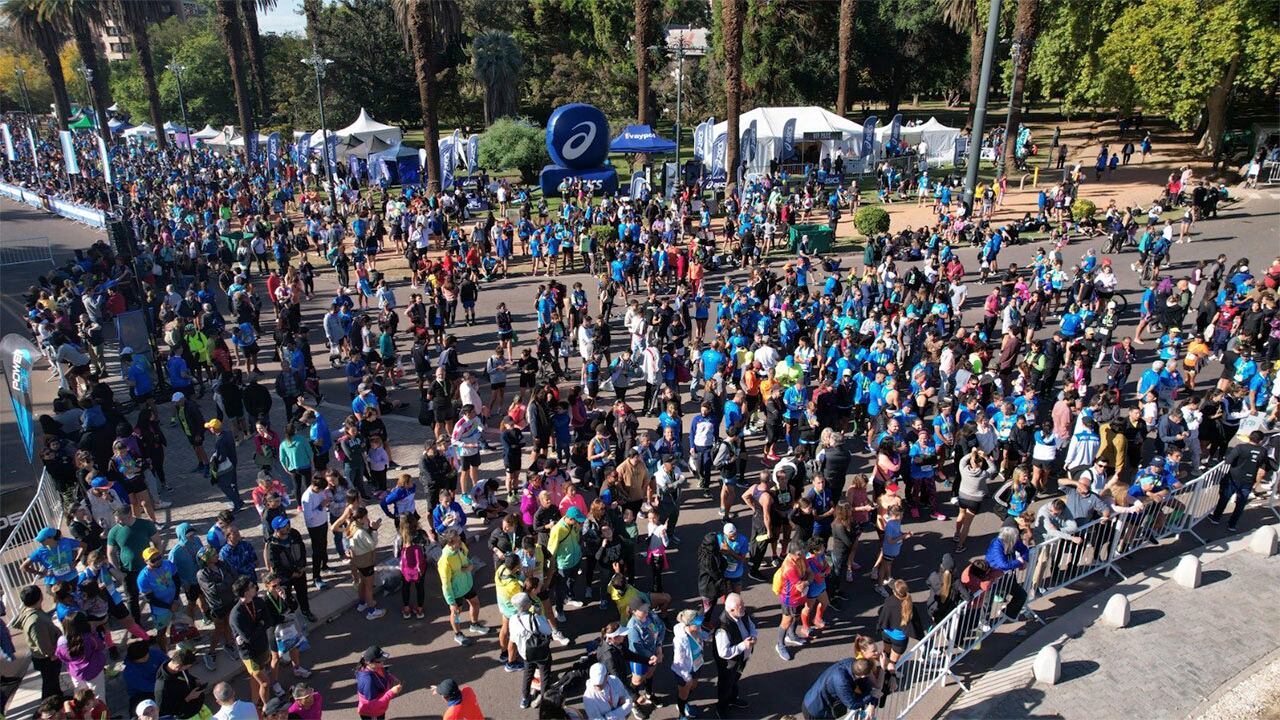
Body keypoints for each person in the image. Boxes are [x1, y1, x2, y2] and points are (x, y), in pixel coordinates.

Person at [1210, 430, 1275, 531]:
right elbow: (1264, 465)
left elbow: (1228, 460)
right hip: (1248, 480)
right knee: (1241, 503)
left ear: (1249, 437)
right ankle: (1232, 524)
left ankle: (1216, 518)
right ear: (1261, 441)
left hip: (1233, 478)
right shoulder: (1263, 451)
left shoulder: (1240, 448)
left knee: (1224, 498)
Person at [229, 576, 278, 708]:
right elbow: (248, 638)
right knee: (265, 683)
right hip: (249, 654)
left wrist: (259, 625)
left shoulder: (258, 602)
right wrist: (260, 624)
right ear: (245, 592)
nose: (255, 587)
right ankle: (267, 708)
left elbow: (268, 621)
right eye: (252, 586)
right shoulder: (236, 615)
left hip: (262, 646)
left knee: (255, 678)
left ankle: (254, 702)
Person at [105, 506, 159, 623]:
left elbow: (157, 542)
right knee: (131, 598)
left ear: (130, 515)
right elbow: (110, 553)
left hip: (147, 568)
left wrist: (156, 560)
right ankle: (136, 624)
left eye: (121, 519)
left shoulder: (146, 525)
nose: (118, 522)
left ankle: (159, 618)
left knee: (153, 593)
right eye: (117, 519)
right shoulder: (114, 531)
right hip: (127, 571)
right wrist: (117, 572)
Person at [438, 528, 488, 645]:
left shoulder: (460, 547)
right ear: (450, 543)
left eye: (460, 539)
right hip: (455, 591)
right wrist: (451, 602)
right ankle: (458, 634)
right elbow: (446, 583)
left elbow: (466, 558)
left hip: (467, 584)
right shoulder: (445, 560)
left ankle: (474, 624)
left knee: (475, 603)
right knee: (456, 613)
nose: (460, 541)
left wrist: (470, 566)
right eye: (457, 540)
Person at [12, 584, 62, 702]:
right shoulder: (36, 620)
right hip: (47, 659)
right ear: (40, 597)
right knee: (50, 683)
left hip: (45, 657)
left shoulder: (32, 612)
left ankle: (58, 697)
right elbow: (43, 645)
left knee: (52, 681)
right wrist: (53, 655)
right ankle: (50, 703)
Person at [509, 591, 554, 709]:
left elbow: (513, 638)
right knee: (544, 675)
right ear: (526, 605)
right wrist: (540, 615)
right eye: (529, 601)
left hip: (525, 653)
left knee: (528, 674)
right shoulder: (533, 618)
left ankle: (525, 698)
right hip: (540, 652)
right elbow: (548, 631)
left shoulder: (512, 619)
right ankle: (545, 699)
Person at [54, 612, 109, 706]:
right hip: (93, 672)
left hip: (75, 673)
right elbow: (101, 646)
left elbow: (61, 656)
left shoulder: (61, 641)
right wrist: (94, 632)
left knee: (80, 698)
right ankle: (102, 716)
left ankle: (82, 714)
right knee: (98, 698)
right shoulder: (89, 638)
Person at [801, 655, 876, 720]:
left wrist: (871, 702)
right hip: (816, 710)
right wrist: (871, 697)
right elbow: (852, 704)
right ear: (863, 676)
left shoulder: (853, 664)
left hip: (816, 703)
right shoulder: (842, 682)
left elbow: (865, 685)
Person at [670, 608, 708, 719]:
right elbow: (679, 662)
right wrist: (687, 677)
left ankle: (685, 704)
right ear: (689, 625)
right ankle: (681, 714)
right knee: (683, 694)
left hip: (696, 665)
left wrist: (710, 635)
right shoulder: (680, 639)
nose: (700, 624)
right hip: (684, 672)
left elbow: (702, 636)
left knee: (693, 686)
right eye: (697, 623)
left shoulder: (696, 629)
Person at [154, 646, 209, 720]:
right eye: (187, 667)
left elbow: (186, 675)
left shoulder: (176, 664)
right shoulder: (161, 689)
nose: (187, 669)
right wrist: (188, 698)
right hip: (188, 716)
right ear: (178, 666)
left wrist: (194, 679)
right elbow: (166, 712)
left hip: (198, 708)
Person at [356, 646, 402, 720]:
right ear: (369, 662)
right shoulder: (368, 681)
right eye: (379, 661)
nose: (382, 662)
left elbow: (384, 673)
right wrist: (391, 692)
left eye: (382, 659)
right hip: (372, 713)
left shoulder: (376, 667)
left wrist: (392, 678)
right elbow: (372, 704)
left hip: (379, 710)